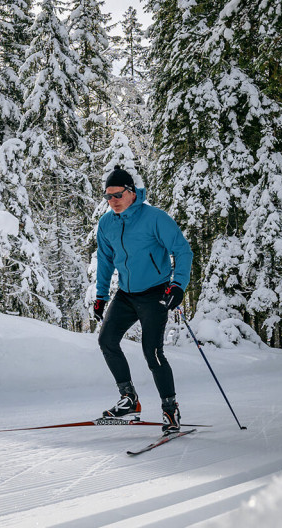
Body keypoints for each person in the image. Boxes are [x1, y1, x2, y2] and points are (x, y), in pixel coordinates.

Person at [93, 165, 193, 434]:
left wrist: (178, 286)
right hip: (126, 294)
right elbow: (105, 261)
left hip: (155, 293)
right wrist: (101, 296)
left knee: (153, 353)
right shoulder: (106, 223)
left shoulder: (155, 218)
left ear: (131, 192)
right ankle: (129, 399)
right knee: (107, 341)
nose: (112, 201)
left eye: (117, 195)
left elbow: (182, 251)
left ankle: (170, 410)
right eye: (107, 196)